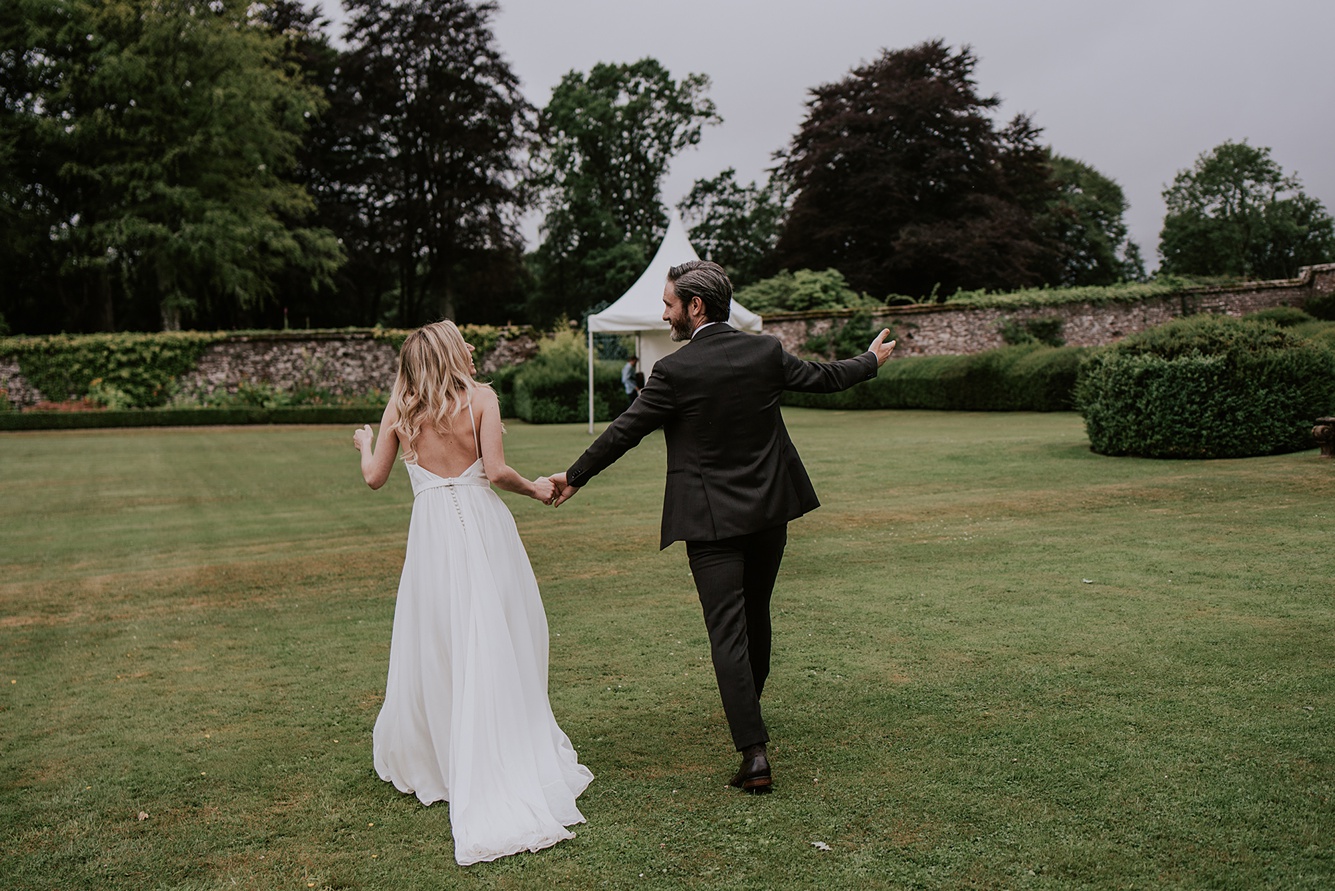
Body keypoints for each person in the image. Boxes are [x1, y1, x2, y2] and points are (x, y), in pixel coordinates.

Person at [549, 260, 895, 794]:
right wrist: (870, 360)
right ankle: (748, 713)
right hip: (768, 513)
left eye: (668, 305)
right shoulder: (765, 350)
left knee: (727, 631)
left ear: (695, 307)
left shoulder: (674, 371)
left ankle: (754, 754)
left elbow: (625, 431)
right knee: (755, 616)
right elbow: (825, 378)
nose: (664, 316)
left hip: (711, 524)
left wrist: (575, 476)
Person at [352, 320, 593, 866]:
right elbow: (498, 471)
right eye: (464, 342)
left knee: (440, 640)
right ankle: (497, 746)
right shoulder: (480, 399)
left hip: (432, 536)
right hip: (483, 529)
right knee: (499, 629)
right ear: (450, 353)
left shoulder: (401, 409)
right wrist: (536, 488)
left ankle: (444, 757)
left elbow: (373, 478)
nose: (472, 348)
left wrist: (367, 443)